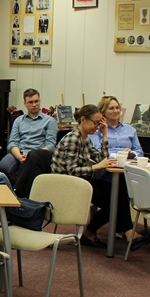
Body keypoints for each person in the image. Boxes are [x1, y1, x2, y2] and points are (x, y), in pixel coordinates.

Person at [51, 105, 139, 247]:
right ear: (84, 119)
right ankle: (122, 233)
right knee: (114, 201)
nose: (97, 127)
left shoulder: (85, 138)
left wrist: (105, 135)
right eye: (96, 123)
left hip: (79, 181)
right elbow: (71, 171)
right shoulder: (73, 138)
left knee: (119, 191)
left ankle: (124, 233)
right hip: (67, 184)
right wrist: (97, 167)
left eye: (100, 123)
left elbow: (101, 158)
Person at [0, 88, 57, 198]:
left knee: (32, 156)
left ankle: (17, 192)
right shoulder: (19, 120)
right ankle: (18, 195)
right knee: (3, 166)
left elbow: (51, 145)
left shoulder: (50, 121)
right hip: (21, 152)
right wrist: (20, 157)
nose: (34, 104)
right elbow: (12, 142)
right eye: (31, 102)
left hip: (41, 153)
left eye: (37, 101)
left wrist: (29, 155)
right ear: (25, 103)